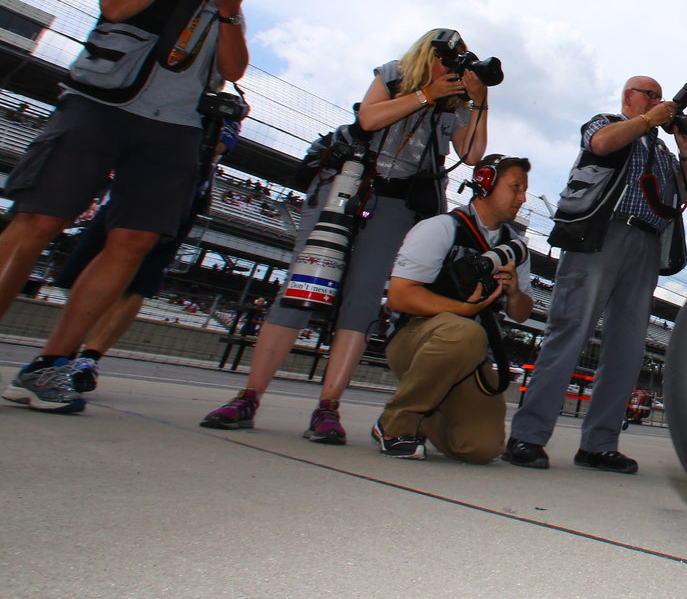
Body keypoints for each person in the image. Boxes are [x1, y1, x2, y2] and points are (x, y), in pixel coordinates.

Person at [0, 0, 253, 414]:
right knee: (39, 220)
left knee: (135, 240)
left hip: (177, 124)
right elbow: (115, 5)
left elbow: (233, 69)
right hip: (101, 104)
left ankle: (52, 364)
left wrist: (227, 9)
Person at [200, 28, 489, 443]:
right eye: (446, 57)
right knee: (303, 285)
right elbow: (368, 118)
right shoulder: (396, 74)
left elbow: (473, 155)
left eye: (460, 61)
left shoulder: (458, 104)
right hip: (349, 182)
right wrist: (426, 94)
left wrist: (479, 98)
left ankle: (328, 407)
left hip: (396, 201)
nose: (451, 66)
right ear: (427, 53)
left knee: (363, 297)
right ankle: (248, 396)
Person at [504, 76, 687, 473]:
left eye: (663, 99)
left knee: (627, 347)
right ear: (629, 97)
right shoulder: (605, 122)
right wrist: (649, 120)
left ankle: (599, 443)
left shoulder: (661, 149)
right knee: (570, 329)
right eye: (653, 96)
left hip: (645, 244)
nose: (662, 103)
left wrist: (686, 151)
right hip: (600, 233)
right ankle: (528, 436)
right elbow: (600, 145)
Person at [52, 116, 241, 392]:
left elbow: (218, 145)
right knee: (84, 271)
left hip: (178, 198)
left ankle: (89, 358)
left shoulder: (223, 109)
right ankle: (63, 350)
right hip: (124, 190)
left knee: (139, 283)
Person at [370, 154, 533, 461]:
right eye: (515, 187)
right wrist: (465, 310)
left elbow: (521, 313)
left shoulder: (516, 248)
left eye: (524, 189)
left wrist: (513, 294)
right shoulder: (442, 227)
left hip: (468, 350)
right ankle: (395, 425)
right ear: (485, 184)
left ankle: (426, 415)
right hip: (418, 338)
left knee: (482, 448)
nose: (522, 198)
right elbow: (399, 297)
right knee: (465, 333)